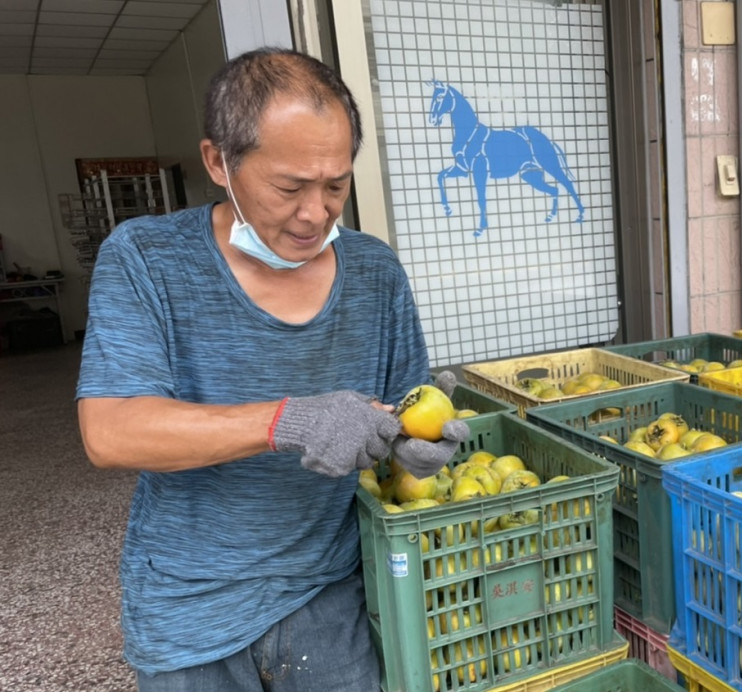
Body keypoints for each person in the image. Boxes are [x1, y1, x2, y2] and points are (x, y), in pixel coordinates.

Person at [76, 47, 465, 691]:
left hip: (331, 594)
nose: (315, 213)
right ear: (217, 162)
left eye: (335, 185)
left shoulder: (374, 273)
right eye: (289, 187)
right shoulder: (147, 259)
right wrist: (289, 420)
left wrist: (414, 448)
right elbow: (111, 431)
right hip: (190, 611)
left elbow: (395, 423)